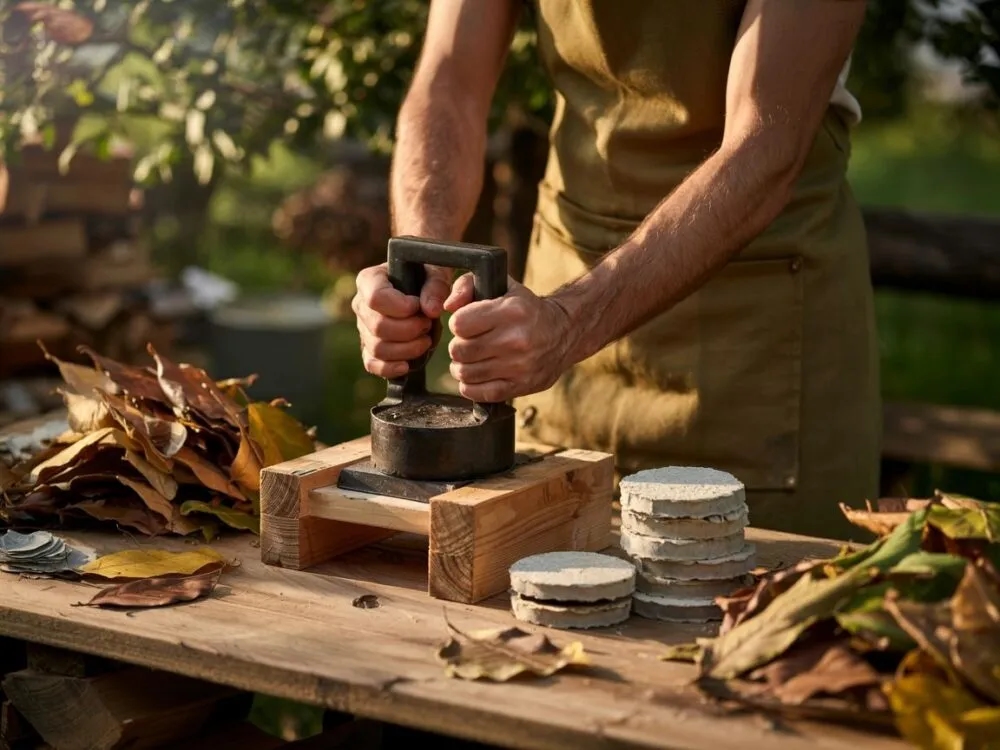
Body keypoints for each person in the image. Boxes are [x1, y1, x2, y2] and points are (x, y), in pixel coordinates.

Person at [351, 0, 879, 540]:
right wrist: (421, 263)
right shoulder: (547, 330)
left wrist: (570, 323)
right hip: (558, 312)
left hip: (753, 337)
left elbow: (764, 147)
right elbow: (450, 79)